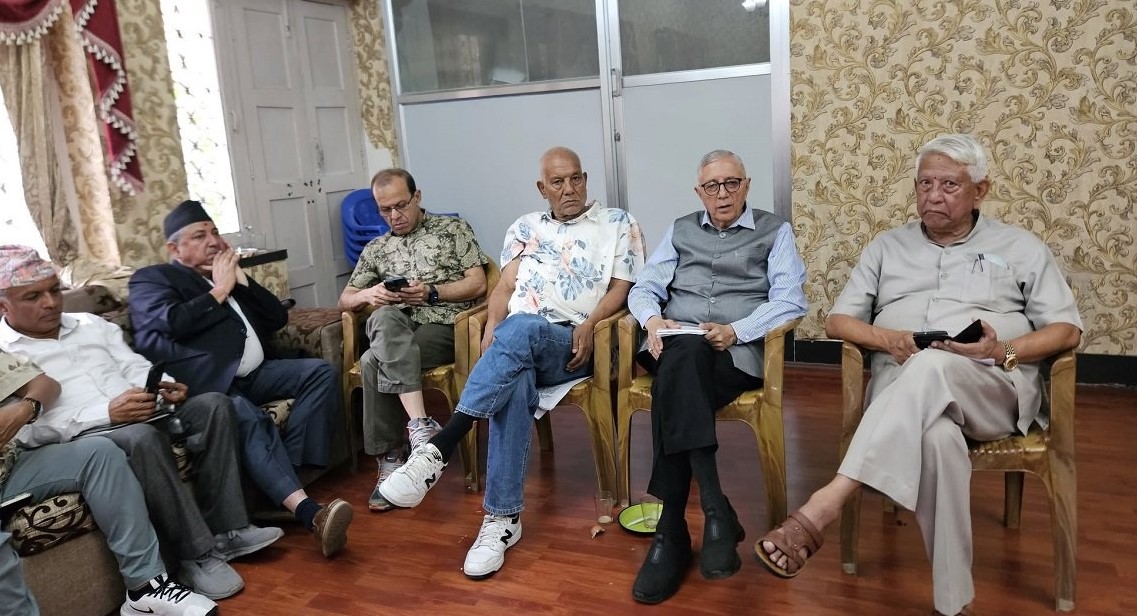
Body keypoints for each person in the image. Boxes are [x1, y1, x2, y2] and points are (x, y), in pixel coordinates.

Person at [754, 134, 1083, 616]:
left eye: (949, 184)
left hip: (990, 389)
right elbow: (837, 322)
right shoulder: (887, 247)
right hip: (905, 392)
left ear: (980, 190)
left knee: (932, 362)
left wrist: (1002, 350)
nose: (933, 195)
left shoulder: (1021, 247)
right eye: (925, 184)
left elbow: (1067, 330)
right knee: (936, 438)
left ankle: (827, 502)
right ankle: (955, 603)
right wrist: (887, 339)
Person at [378, 146, 645, 578]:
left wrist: (590, 323)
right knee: (515, 373)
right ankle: (502, 520)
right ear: (542, 188)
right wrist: (491, 328)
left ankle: (440, 446)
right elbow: (502, 288)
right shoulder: (525, 227)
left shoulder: (617, 223)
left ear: (585, 179)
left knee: (521, 329)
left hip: (574, 344)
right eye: (557, 182)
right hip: (519, 344)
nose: (569, 188)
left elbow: (621, 287)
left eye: (576, 178)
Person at [0, 245, 280, 602]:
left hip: (140, 411)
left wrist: (161, 387)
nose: (51, 303)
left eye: (55, 290)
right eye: (33, 297)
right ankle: (196, 557)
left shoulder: (90, 324)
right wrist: (107, 414)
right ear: (3, 305)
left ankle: (228, 531)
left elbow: (132, 365)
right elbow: (25, 433)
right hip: (85, 434)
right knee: (141, 438)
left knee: (214, 406)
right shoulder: (6, 354)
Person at [625, 149, 808, 603]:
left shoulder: (775, 231)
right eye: (712, 186)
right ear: (699, 191)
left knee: (679, 374)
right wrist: (652, 319)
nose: (722, 193)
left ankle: (671, 531)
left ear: (747, 186)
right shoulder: (681, 229)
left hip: (732, 356)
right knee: (684, 354)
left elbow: (790, 300)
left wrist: (737, 331)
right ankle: (714, 507)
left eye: (731, 183)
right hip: (674, 345)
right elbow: (645, 287)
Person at [126, 201, 353, 558]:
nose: (213, 241)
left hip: (257, 374)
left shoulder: (225, 274)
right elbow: (171, 322)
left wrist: (241, 280)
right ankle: (305, 510)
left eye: (215, 232)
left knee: (319, 372)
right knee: (245, 415)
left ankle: (288, 478)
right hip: (208, 385)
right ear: (174, 248)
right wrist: (220, 289)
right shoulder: (153, 278)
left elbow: (277, 317)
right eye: (199, 236)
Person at [0, 352, 220, 616]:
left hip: (11, 462)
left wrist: (25, 408)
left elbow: (45, 384)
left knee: (100, 453)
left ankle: (145, 589)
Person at [338, 168, 489, 512]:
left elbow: (479, 283)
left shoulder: (453, 229)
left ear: (417, 197)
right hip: (398, 328)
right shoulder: (376, 248)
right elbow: (344, 299)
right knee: (381, 317)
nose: (395, 215)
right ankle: (420, 430)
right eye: (385, 210)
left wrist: (431, 292)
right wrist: (369, 294)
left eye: (401, 205)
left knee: (371, 361)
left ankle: (391, 457)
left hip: (445, 325)